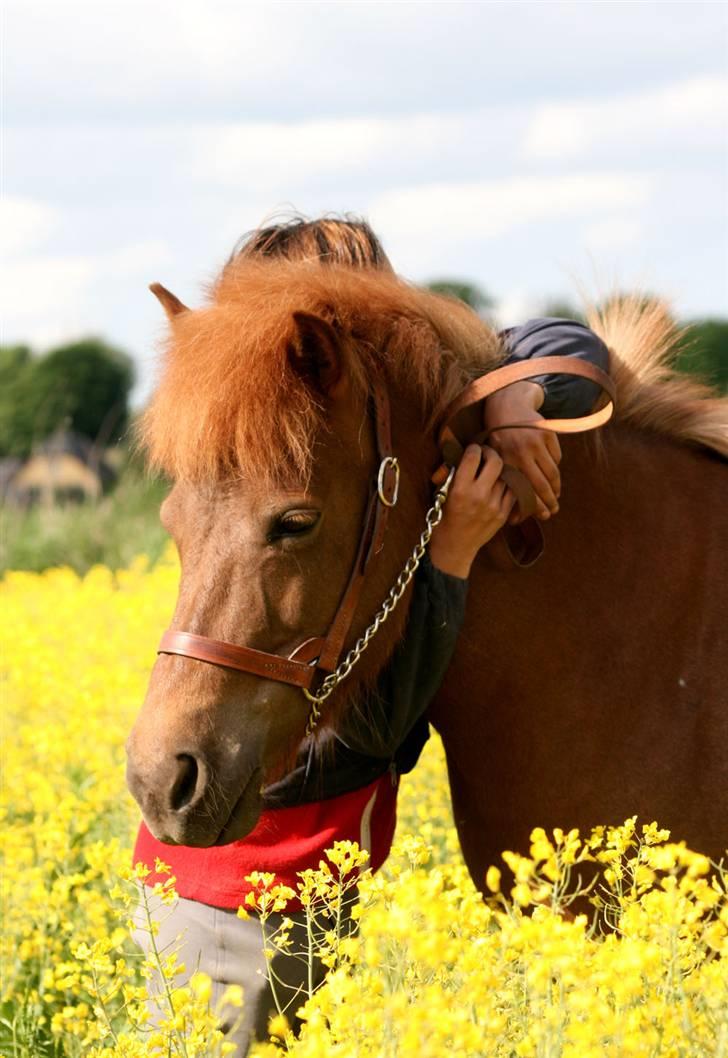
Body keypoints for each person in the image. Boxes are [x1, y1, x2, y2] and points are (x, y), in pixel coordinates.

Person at [133, 217, 610, 1054]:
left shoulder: (364, 412)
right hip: (242, 903)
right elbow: (371, 729)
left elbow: (572, 344)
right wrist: (452, 559)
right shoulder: (285, 443)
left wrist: (504, 387)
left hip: (289, 898)